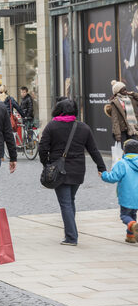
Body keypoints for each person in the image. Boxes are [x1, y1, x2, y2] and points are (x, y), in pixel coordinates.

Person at [38, 98, 106, 246]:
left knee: (65, 203)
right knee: (70, 201)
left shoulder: (52, 126)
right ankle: (70, 233)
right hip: (78, 170)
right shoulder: (83, 127)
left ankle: (71, 237)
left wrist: (47, 164)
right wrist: (101, 167)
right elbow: (93, 150)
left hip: (59, 170)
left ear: (58, 110)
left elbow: (42, 148)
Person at [101, 139, 138, 243]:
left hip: (127, 195)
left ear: (124, 151)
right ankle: (130, 237)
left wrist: (103, 175)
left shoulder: (122, 163)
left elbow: (113, 177)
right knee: (133, 214)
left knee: (125, 215)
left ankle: (132, 226)